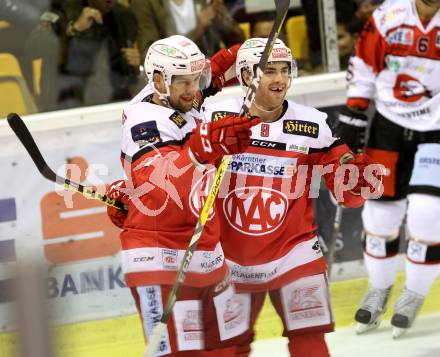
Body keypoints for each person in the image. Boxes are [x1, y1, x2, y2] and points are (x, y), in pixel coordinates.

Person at [202, 38, 384, 356]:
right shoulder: (214, 116)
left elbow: (345, 187)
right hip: (229, 261)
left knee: (310, 341)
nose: (280, 79)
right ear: (246, 76)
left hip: (295, 257)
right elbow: (180, 161)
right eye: (269, 71)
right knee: (224, 349)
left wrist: (354, 179)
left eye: (285, 70)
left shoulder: (313, 125)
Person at [105, 35, 260, 356]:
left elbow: (215, 73)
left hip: (203, 251)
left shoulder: (176, 96)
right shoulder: (144, 122)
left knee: (234, 346)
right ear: (159, 80)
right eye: (183, 82)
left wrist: (248, 51)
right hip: (159, 258)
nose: (193, 89)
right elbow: (163, 184)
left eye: (195, 79)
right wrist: (205, 145)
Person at [336, 0, 440, 338]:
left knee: (428, 212)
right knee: (378, 216)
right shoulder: (388, 17)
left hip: (436, 130)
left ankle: (413, 294)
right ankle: (378, 290)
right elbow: (364, 66)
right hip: (387, 127)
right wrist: (353, 113)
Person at [43, 0, 142, 108]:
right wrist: (74, 29)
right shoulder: (63, 10)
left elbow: (130, 76)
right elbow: (33, 48)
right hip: (69, 104)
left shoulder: (124, 17)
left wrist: (136, 67)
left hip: (116, 103)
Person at [130, 0, 244, 59]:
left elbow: (240, 42)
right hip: (176, 81)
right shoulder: (144, 3)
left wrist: (223, 22)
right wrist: (196, 31)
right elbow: (149, 54)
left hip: (213, 73)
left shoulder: (206, 2)